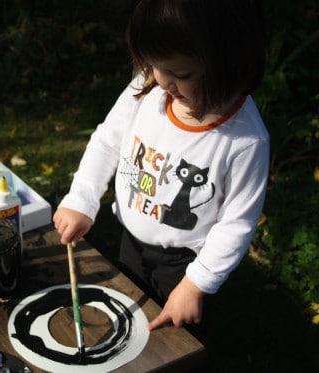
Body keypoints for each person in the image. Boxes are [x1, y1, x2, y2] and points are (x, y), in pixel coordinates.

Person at [53, 0, 269, 343]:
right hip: (131, 244)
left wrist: (197, 284)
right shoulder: (148, 88)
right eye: (155, 66)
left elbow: (236, 224)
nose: (162, 81)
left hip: (183, 266)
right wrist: (82, 199)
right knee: (124, 331)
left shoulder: (244, 141)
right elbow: (108, 141)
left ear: (230, 64)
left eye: (181, 75)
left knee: (172, 344)